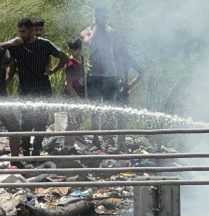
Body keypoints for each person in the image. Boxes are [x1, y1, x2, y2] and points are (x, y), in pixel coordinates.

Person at [3, 18, 67, 157]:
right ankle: (25, 150)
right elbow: (13, 65)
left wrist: (53, 71)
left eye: (24, 32)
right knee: (26, 121)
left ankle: (36, 149)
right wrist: (7, 80)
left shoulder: (44, 44)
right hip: (25, 89)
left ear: (32, 31)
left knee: (41, 121)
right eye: (19, 32)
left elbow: (64, 57)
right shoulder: (17, 45)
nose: (21, 35)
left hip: (42, 87)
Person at [81, 6, 123, 147]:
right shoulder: (89, 31)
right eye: (99, 16)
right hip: (94, 74)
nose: (101, 19)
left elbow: (118, 54)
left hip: (110, 75)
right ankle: (95, 138)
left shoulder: (112, 32)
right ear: (95, 16)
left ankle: (109, 138)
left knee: (109, 107)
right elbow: (87, 42)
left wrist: (120, 74)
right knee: (95, 108)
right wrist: (93, 29)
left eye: (104, 16)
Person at [0, 48, 22, 167]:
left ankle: (14, 160)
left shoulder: (3, 49)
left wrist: (8, 77)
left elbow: (11, 63)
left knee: (14, 127)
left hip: (2, 99)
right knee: (14, 127)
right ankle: (15, 160)